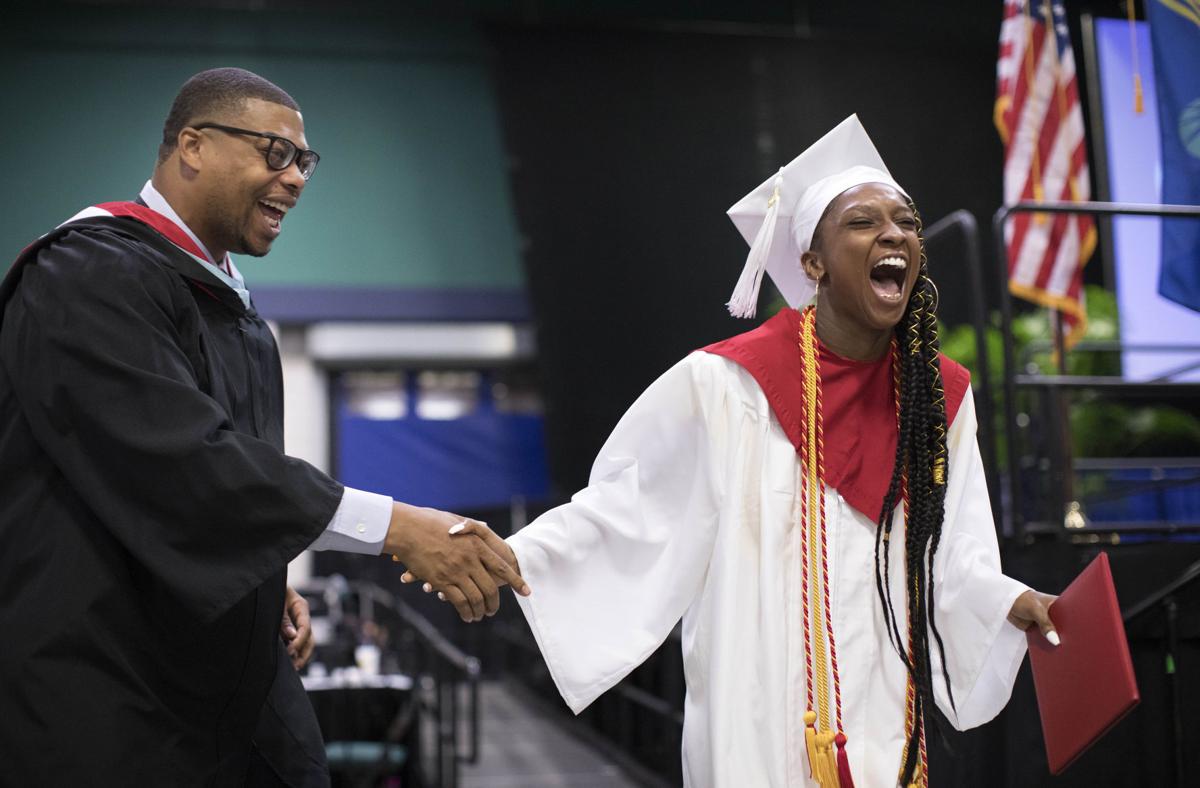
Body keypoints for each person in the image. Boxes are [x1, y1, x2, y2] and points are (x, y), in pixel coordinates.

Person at [424, 116, 1059, 787]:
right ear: (811, 264)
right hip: (756, 700)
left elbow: (953, 554)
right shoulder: (727, 383)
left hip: (883, 710)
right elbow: (626, 511)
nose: (894, 233)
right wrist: (512, 557)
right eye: (863, 222)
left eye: (904, 220)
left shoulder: (939, 400)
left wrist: (1006, 601)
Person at [0, 67, 527, 786]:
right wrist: (396, 526)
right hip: (109, 683)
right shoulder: (86, 274)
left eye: (304, 161)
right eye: (274, 152)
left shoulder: (228, 308)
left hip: (216, 679)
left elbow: (218, 487)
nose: (297, 177)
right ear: (192, 145)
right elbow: (183, 465)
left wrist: (259, 577)